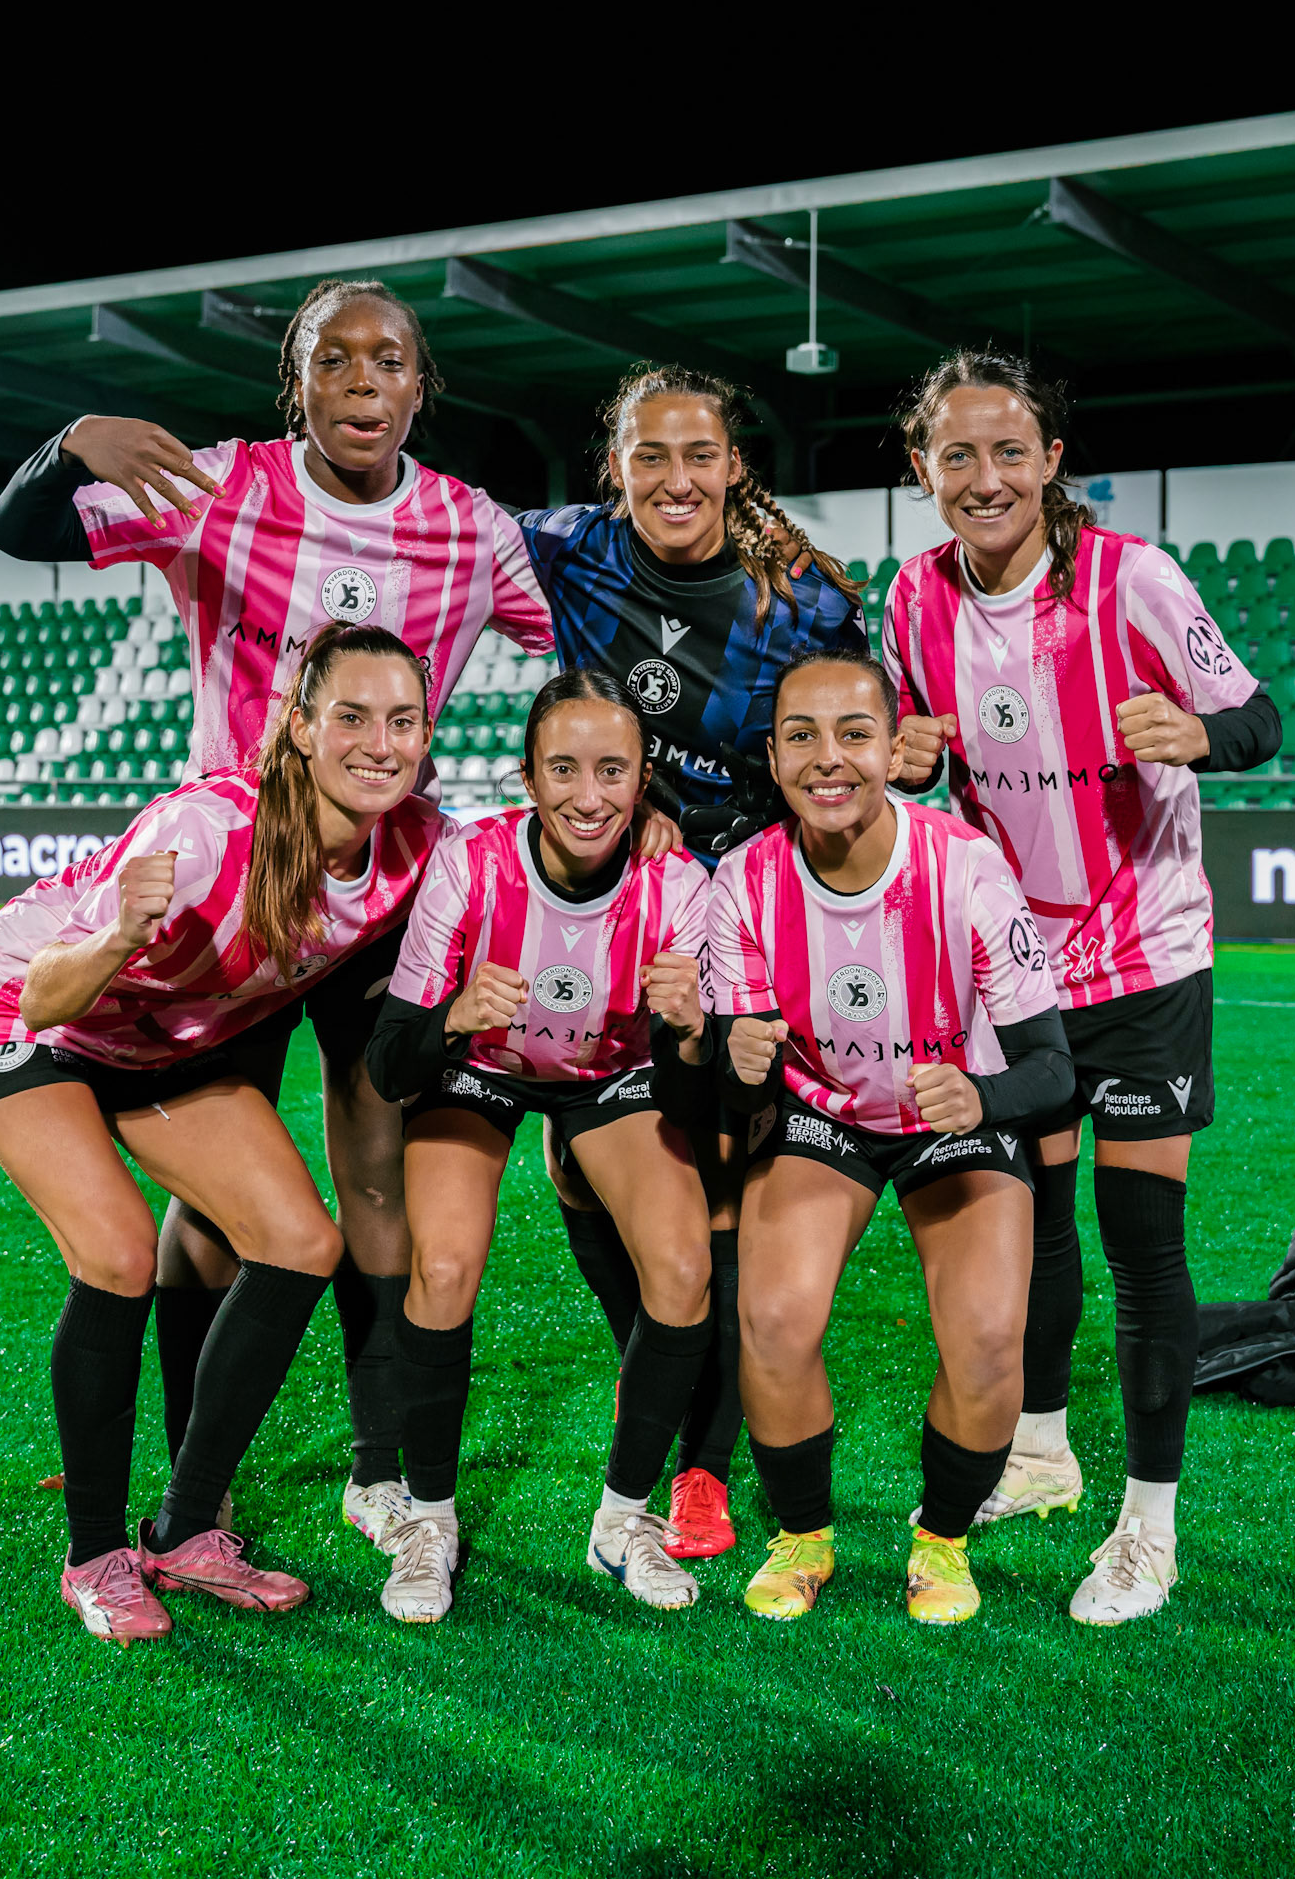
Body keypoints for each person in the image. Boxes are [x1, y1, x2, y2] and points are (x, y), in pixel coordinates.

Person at [0, 280, 557, 1550]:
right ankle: (205, 1475)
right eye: (333, 359)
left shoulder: (473, 528)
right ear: (293, 383)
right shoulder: (220, 485)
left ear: (423, 386)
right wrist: (75, 439)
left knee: (374, 1177)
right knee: (211, 1212)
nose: (364, 380)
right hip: (238, 897)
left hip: (377, 898)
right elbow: (22, 528)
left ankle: (380, 1466)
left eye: (390, 360)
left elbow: (584, 640)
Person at [0, 626, 448, 1641]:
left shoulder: (418, 839)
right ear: (299, 725)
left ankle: (182, 1528)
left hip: (157, 1048)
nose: (379, 742)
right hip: (22, 1019)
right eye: (351, 715)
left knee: (301, 1242)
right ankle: (93, 1553)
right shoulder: (208, 831)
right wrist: (122, 931)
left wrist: (644, 827)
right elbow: (45, 993)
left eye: (403, 719)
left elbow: (527, 848)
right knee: (121, 1251)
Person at [883, 349, 1283, 1625]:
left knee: (1143, 1244)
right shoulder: (909, 602)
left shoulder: (1135, 579)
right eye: (958, 455)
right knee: (1040, 1222)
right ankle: (1043, 1451)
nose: (985, 477)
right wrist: (903, 754)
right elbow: (913, 755)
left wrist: (1199, 734)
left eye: (1011, 451)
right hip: (1020, 972)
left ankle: (1148, 1527)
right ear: (923, 469)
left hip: (1149, 955)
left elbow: (1261, 718)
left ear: (1054, 461)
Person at [513, 363, 870, 1558]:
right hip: (626, 898)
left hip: (752, 920)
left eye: (699, 454)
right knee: (579, 1168)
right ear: (615, 464)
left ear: (732, 464)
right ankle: (651, 1376)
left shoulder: (805, 601)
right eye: (649, 455)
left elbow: (867, 736)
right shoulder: (566, 549)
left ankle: (702, 1467)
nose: (676, 478)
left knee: (720, 1178)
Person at [711, 648, 1073, 1626]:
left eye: (855, 732)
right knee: (776, 1318)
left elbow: (1052, 1068)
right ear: (775, 756)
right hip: (826, 1116)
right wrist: (729, 1051)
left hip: (950, 1122)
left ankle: (942, 1539)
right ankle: (803, 1534)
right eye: (802, 736)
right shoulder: (744, 880)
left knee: (993, 1336)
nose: (830, 758)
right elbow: (722, 1054)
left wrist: (982, 1100)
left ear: (892, 742)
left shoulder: (966, 867)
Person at [364, 670, 718, 1623]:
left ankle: (625, 1519)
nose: (589, 795)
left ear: (644, 781)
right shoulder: (472, 862)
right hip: (480, 1070)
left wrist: (691, 1033)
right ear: (527, 777)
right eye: (563, 768)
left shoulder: (680, 885)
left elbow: (699, 1089)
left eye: (612, 770)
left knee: (684, 1266)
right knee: (440, 1265)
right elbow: (388, 1063)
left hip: (610, 1076)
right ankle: (429, 1519)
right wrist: (449, 1018)